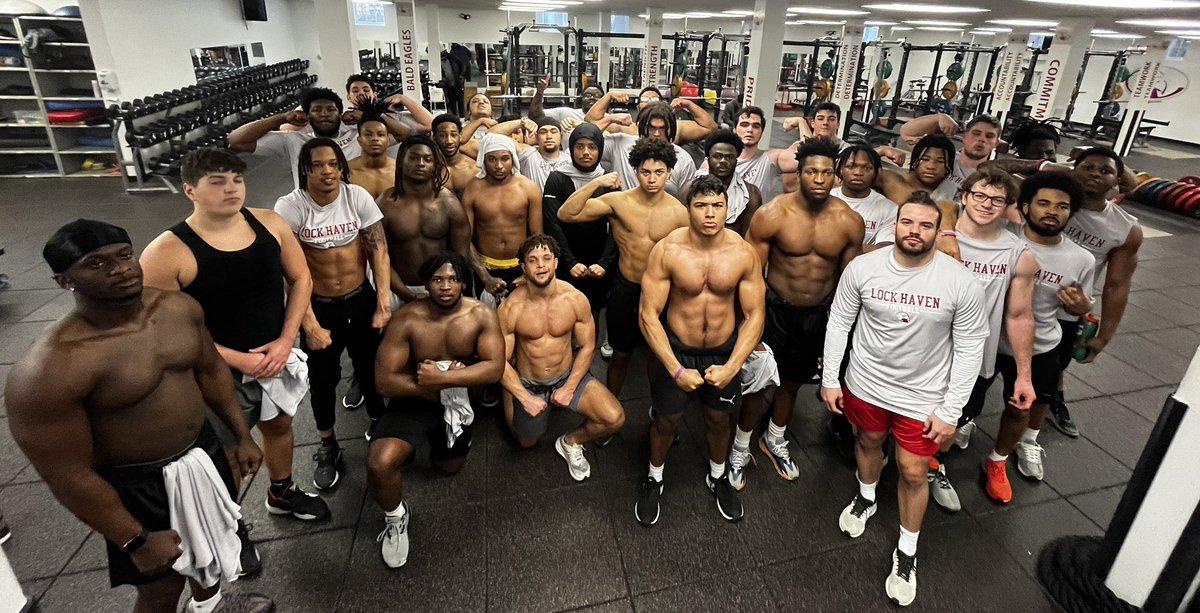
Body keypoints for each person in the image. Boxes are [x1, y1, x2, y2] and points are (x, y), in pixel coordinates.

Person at [6, 220, 273, 613]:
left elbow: (211, 370)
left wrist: (241, 436)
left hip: (202, 450)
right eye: (96, 264)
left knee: (211, 548)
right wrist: (133, 539)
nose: (120, 269)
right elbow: (67, 475)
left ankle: (208, 606)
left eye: (124, 255)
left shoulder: (178, 308)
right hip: (138, 484)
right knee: (161, 586)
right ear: (65, 281)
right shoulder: (50, 368)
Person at [140, 150, 331, 543]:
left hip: (274, 355)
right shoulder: (166, 252)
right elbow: (167, 329)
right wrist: (237, 358)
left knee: (279, 426)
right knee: (228, 452)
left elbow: (301, 280)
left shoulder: (270, 223)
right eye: (217, 182)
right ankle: (232, 528)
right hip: (213, 369)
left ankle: (281, 492)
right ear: (189, 190)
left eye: (237, 180)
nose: (231, 189)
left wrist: (285, 340)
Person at [822, 193, 989, 607]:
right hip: (867, 383)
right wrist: (830, 380)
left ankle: (907, 550)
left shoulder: (959, 281)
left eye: (925, 225)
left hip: (924, 395)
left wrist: (951, 410)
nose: (915, 231)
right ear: (894, 225)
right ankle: (866, 497)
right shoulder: (863, 267)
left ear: (938, 231)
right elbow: (840, 322)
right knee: (867, 443)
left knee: (914, 471)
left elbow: (971, 349)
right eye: (907, 222)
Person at [734, 138, 863, 488]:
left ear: (835, 175)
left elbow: (848, 286)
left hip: (819, 315)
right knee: (758, 382)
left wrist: (841, 334)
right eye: (811, 172)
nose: (818, 179)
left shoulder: (850, 221)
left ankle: (774, 438)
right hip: (774, 308)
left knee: (792, 382)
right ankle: (739, 447)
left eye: (825, 172)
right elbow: (750, 274)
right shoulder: (772, 214)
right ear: (800, 173)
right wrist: (752, 325)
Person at [637, 175, 766, 525]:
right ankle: (655, 477)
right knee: (666, 421)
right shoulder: (668, 250)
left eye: (717, 206)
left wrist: (732, 366)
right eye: (701, 206)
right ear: (688, 209)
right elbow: (648, 314)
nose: (710, 214)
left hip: (723, 353)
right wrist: (675, 369)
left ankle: (718, 474)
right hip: (676, 350)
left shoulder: (742, 252)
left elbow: (755, 315)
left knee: (719, 419)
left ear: (728, 208)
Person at [372, 252, 505, 568]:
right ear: (426, 283)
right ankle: (395, 517)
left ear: (463, 283)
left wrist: (445, 379)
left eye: (453, 279)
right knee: (381, 462)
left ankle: (438, 445)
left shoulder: (481, 315)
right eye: (437, 279)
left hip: (457, 401)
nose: (445, 286)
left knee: (449, 468)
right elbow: (384, 381)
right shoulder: (408, 319)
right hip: (413, 400)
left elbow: (495, 369)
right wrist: (428, 386)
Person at [274, 138, 391, 490]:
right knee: (322, 380)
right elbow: (289, 273)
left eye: (333, 164)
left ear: (342, 167)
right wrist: (308, 324)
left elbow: (378, 250)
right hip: (319, 305)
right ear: (305, 169)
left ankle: (378, 423)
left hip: (360, 298)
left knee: (370, 367)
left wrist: (383, 301)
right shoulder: (291, 207)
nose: (328, 171)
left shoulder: (356, 197)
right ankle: (327, 444)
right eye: (319, 165)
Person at [925, 168, 1037, 513]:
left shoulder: (1018, 253)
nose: (987, 205)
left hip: (974, 357)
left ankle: (934, 467)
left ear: (1007, 206)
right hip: (923, 349)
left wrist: (1023, 374)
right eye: (980, 195)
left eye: (997, 200)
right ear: (965, 196)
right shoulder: (933, 232)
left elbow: (1019, 316)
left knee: (952, 418)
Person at [979, 172, 1095, 504]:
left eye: (1062, 206)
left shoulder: (1081, 259)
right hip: (987, 339)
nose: (1052, 211)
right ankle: (965, 425)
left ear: (1071, 214)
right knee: (964, 402)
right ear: (1026, 207)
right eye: (1043, 203)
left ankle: (999, 460)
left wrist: (1083, 306)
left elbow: (1081, 306)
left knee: (1021, 409)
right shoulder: (999, 237)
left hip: (1038, 344)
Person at [558, 138, 689, 414]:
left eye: (659, 172)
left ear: (669, 173)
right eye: (645, 172)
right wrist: (597, 183)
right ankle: (609, 411)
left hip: (662, 293)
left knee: (658, 356)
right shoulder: (618, 202)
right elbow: (566, 214)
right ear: (635, 171)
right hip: (625, 288)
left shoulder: (679, 213)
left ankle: (659, 411)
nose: (652, 179)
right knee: (620, 354)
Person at [498, 235, 625, 479]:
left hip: (565, 375)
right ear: (523, 268)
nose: (541, 265)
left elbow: (588, 346)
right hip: (529, 382)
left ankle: (570, 442)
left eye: (547, 258)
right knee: (525, 442)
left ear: (556, 263)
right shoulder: (511, 308)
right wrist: (523, 397)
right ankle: (508, 393)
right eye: (533, 261)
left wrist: (569, 387)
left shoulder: (575, 299)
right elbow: (499, 361)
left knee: (614, 418)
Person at [1055, 148, 1142, 435]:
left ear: (1118, 180)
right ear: (1073, 170)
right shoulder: (1049, 200)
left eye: (1105, 171)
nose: (1095, 174)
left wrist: (1104, 335)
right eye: (1088, 167)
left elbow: (1117, 285)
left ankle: (1054, 399)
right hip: (1018, 294)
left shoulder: (1125, 228)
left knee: (1055, 366)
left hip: (1068, 309)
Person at [377, 135, 479, 306]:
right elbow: (379, 258)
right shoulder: (385, 204)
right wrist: (406, 294)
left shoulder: (449, 203)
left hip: (444, 289)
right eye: (414, 158)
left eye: (427, 159)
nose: (421, 163)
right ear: (401, 161)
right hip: (398, 289)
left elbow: (460, 256)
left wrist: (446, 289)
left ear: (435, 165)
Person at [540, 123, 619, 343]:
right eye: (580, 146)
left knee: (594, 308)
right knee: (564, 307)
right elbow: (551, 223)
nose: (586, 152)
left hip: (598, 256)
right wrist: (569, 261)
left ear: (600, 150)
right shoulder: (557, 178)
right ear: (571, 149)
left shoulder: (610, 181)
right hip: (567, 256)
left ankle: (591, 347)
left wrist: (604, 262)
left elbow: (617, 227)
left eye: (592, 147)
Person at [461, 133, 543, 302]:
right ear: (483, 160)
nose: (499, 165)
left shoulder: (528, 188)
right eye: (492, 159)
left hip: (521, 267)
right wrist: (485, 277)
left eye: (504, 159)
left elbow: (537, 236)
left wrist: (527, 272)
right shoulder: (472, 189)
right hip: (485, 268)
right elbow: (463, 239)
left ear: (513, 159)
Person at [874, 134, 962, 258]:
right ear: (915, 161)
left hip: (932, 254)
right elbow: (850, 169)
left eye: (940, 161)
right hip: (887, 248)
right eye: (925, 159)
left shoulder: (955, 190)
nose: (931, 166)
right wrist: (881, 150)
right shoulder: (892, 180)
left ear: (949, 167)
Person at [594, 101, 699, 199]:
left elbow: (686, 201)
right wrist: (608, 119)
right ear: (643, 127)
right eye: (652, 128)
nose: (657, 134)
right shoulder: (620, 144)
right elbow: (585, 140)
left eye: (662, 128)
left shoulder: (684, 160)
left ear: (671, 129)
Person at [899, 114, 1002, 190]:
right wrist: (939, 118)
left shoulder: (994, 177)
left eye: (989, 136)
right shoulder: (941, 156)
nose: (981, 139)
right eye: (976, 133)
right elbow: (907, 132)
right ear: (965, 137)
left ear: (996, 143)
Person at [830, 145, 899, 251]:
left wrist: (831, 247)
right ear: (840, 169)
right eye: (851, 167)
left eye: (867, 168)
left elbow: (884, 250)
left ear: (876, 172)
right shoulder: (823, 199)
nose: (858, 173)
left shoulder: (890, 209)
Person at [584, 90, 716, 144]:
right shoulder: (626, 128)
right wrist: (609, 95)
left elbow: (710, 128)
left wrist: (688, 104)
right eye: (645, 99)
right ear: (637, 107)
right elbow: (591, 121)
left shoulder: (675, 128)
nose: (649, 102)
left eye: (654, 99)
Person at [697, 128, 762, 236]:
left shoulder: (751, 194)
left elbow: (750, 239)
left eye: (729, 157)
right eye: (717, 156)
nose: (723, 161)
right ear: (708, 159)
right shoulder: (690, 189)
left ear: (736, 161)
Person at [488, 116, 572, 189]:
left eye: (553, 132)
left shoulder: (570, 157)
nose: (549, 136)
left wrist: (579, 124)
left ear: (561, 136)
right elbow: (490, 136)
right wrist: (521, 123)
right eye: (543, 132)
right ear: (536, 137)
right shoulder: (529, 154)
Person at [347, 105, 396, 199]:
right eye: (368, 134)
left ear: (388, 140)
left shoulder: (400, 170)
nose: (375, 139)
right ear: (359, 140)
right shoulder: (346, 172)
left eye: (380, 134)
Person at [431, 114, 480, 198]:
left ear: (460, 137)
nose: (449, 141)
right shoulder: (430, 169)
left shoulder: (474, 168)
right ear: (434, 138)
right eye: (442, 136)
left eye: (453, 135)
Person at [528, 72, 604, 125]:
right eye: (588, 95)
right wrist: (539, 92)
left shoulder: (609, 119)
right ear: (581, 98)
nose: (592, 98)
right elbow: (535, 116)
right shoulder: (566, 113)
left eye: (597, 96)